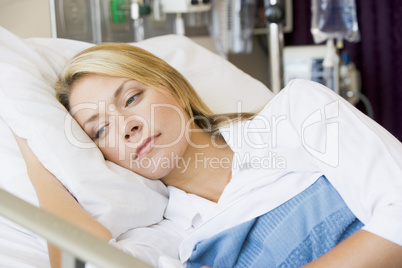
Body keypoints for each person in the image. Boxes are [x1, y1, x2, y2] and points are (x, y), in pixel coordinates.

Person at [14, 43, 402, 268]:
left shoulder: (298, 115)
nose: (126, 126)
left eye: (132, 98)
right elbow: (81, 262)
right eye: (100, 130)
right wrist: (38, 162)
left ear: (173, 88)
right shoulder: (171, 241)